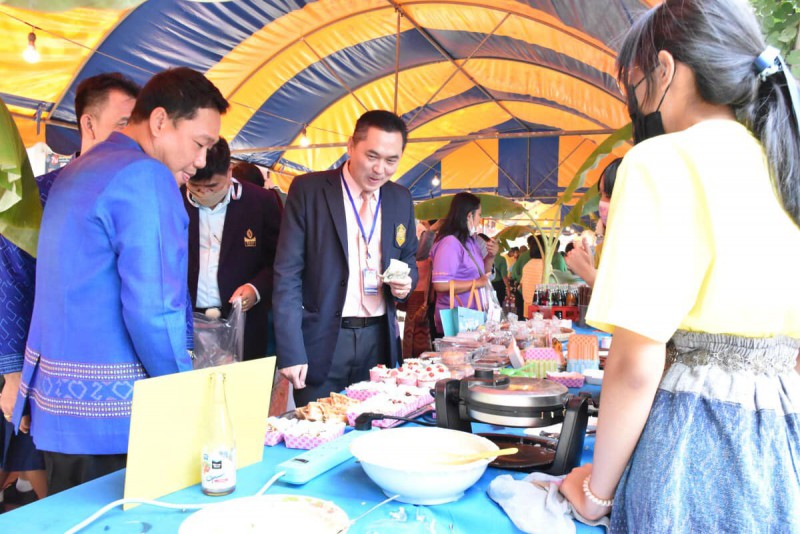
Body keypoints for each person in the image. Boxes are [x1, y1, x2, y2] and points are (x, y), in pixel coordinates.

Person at [558, 1, 800, 531]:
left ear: (664, 69)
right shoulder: (784, 163)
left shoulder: (662, 161)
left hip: (690, 446)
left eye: (636, 83)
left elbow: (635, 363)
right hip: (781, 446)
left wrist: (595, 492)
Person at [13, 67, 229, 494]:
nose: (202, 161)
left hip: (59, 405)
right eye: (200, 143)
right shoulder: (145, 176)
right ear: (160, 121)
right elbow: (155, 309)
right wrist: (187, 395)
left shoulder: (80, 169)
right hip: (115, 414)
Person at [0, 73, 140, 506]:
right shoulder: (41, 196)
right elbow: (11, 283)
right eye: (122, 125)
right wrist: (12, 373)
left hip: (121, 381)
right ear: (88, 124)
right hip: (51, 373)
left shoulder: (141, 190)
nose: (132, 139)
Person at [273, 110, 418, 407]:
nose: (380, 169)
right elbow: (287, 273)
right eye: (372, 156)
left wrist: (406, 283)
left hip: (379, 340)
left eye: (391, 161)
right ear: (351, 146)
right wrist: (291, 349)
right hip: (324, 339)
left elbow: (408, 257)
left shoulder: (400, 198)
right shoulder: (309, 190)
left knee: (376, 424)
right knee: (319, 425)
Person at [184, 137, 281, 361]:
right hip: (187, 322)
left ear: (229, 172)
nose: (204, 194)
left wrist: (256, 288)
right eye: (196, 188)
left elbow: (279, 260)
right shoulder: (174, 199)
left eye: (212, 187)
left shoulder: (260, 202)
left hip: (242, 324)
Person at [429, 192, 498, 336]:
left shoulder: (470, 241)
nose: (480, 219)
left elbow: (482, 274)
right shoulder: (450, 243)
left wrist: (491, 256)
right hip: (456, 319)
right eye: (479, 214)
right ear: (469, 215)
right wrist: (476, 283)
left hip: (472, 318)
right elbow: (440, 285)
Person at [564, 158, 622, 287]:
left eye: (608, 196)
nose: (602, 203)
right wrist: (589, 265)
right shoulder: (608, 246)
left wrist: (589, 273)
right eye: (601, 195)